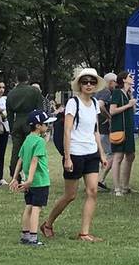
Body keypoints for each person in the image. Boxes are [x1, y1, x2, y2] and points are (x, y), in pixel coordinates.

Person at [40, 68, 109, 243]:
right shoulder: (73, 103)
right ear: (79, 84)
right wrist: (68, 157)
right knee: (70, 195)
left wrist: (101, 153)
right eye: (85, 81)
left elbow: (95, 130)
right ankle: (47, 223)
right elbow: (67, 131)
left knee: (92, 191)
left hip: (91, 152)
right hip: (76, 153)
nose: (88, 85)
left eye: (92, 82)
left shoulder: (94, 104)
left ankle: (84, 233)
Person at [9, 109, 56, 246]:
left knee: (28, 206)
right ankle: (33, 238)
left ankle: (25, 235)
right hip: (39, 181)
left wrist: (15, 177)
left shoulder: (28, 139)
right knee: (36, 208)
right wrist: (30, 179)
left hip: (28, 181)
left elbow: (20, 159)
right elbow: (35, 160)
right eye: (45, 124)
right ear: (38, 126)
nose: (47, 127)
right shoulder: (39, 142)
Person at [6, 70, 44, 181]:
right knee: (33, 149)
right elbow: (40, 110)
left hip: (17, 122)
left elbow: (9, 114)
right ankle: (33, 173)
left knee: (16, 150)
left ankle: (14, 174)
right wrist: (40, 125)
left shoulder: (11, 93)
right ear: (28, 78)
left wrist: (12, 127)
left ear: (17, 79)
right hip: (31, 122)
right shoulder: (34, 91)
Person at [109, 70, 137, 196]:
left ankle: (125, 186)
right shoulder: (116, 93)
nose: (132, 78)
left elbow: (134, 109)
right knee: (118, 157)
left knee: (131, 156)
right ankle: (117, 188)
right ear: (124, 80)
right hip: (119, 129)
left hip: (129, 129)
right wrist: (128, 105)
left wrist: (131, 99)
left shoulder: (129, 93)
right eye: (130, 77)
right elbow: (112, 111)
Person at [95, 72, 117, 191]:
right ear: (110, 82)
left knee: (101, 155)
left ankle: (95, 181)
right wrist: (109, 117)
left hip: (98, 128)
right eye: (115, 82)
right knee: (111, 155)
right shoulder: (106, 91)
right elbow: (100, 105)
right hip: (104, 129)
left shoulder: (98, 91)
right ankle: (100, 180)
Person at [0, 80, 9, 185]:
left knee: (1, 153)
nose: (1, 90)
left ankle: (0, 177)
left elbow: (6, 113)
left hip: (5, 128)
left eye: (3, 87)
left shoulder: (5, 100)